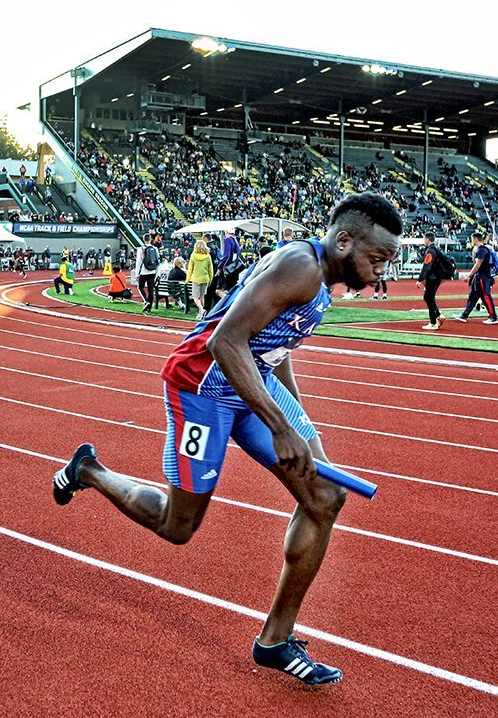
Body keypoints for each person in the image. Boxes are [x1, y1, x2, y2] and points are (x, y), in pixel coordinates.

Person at [52, 193, 403, 685]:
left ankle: (276, 641)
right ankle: (88, 469)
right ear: (343, 240)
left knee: (325, 498)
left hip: (247, 384)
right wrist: (282, 428)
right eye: (377, 258)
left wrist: (293, 415)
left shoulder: (319, 276)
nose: (382, 270)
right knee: (178, 527)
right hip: (202, 389)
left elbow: (276, 345)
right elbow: (225, 342)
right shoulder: (301, 267)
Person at [454, 232, 498, 325]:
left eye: (472, 239)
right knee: (473, 297)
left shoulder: (482, 250)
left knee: (486, 296)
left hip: (483, 277)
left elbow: (477, 264)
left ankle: (493, 317)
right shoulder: (481, 249)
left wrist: (469, 275)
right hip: (479, 277)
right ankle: (464, 315)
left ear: (475, 239)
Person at [416, 231, 448, 330]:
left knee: (428, 297)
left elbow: (427, 266)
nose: (423, 241)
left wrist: (420, 279)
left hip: (432, 277)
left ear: (427, 239)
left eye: (424, 239)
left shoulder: (431, 251)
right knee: (429, 297)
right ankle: (438, 315)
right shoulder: (437, 249)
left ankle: (433, 322)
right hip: (437, 277)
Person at [187, 238, 214, 320]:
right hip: (205, 278)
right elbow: (210, 269)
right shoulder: (208, 256)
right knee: (202, 297)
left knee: (195, 297)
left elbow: (190, 268)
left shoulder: (193, 256)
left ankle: (201, 310)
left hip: (196, 278)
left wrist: (187, 279)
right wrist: (210, 279)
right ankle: (201, 313)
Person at [133, 233, 160, 313]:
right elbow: (158, 262)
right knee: (151, 290)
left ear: (143, 239)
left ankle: (146, 301)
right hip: (152, 271)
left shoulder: (141, 249)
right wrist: (157, 273)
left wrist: (137, 274)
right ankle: (149, 308)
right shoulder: (155, 248)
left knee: (140, 287)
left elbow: (138, 262)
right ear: (151, 239)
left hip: (143, 272)